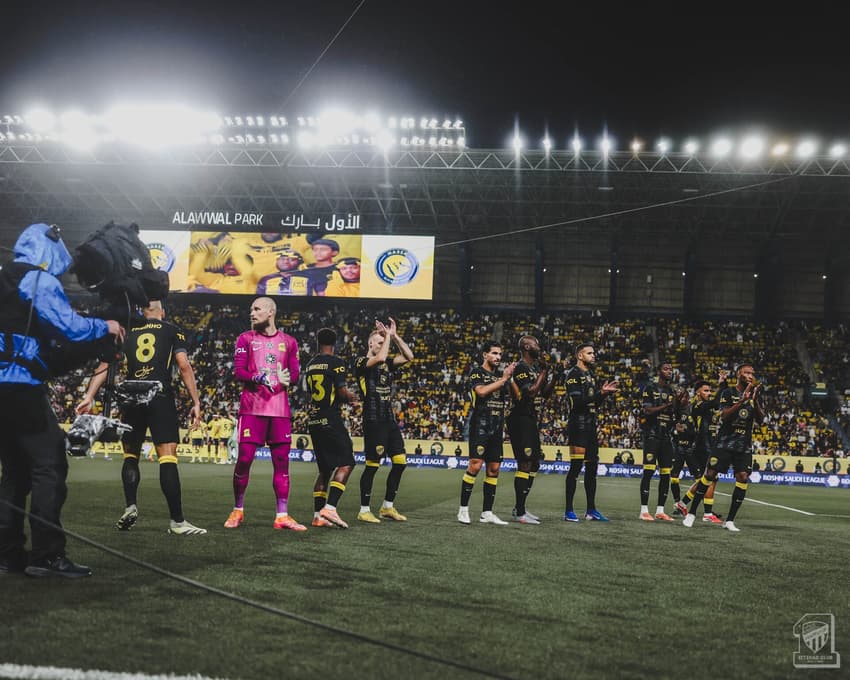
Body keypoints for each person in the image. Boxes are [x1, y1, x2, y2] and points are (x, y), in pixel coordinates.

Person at [0, 223, 124, 577]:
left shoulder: (4, 277)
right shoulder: (37, 280)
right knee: (49, 464)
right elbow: (67, 326)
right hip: (19, 385)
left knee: (14, 472)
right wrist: (106, 327)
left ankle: (7, 554)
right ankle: (47, 555)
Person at [76, 300, 206, 536]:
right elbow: (184, 366)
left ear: (141, 311)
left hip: (131, 396)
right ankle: (177, 522)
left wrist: (89, 396)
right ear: (162, 312)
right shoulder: (172, 329)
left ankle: (130, 506)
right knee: (167, 458)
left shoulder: (127, 331)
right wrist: (196, 402)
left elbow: (104, 366)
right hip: (159, 394)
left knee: (130, 455)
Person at [223, 297, 304, 531]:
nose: (252, 313)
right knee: (245, 459)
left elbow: (295, 373)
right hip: (252, 409)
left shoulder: (289, 342)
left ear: (271, 312)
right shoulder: (245, 339)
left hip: (279, 411)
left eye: (257, 309)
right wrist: (258, 377)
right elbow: (239, 371)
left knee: (282, 464)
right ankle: (238, 510)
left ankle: (282, 516)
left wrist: (288, 379)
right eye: (251, 309)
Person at [683, 364, 765, 532]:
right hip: (724, 443)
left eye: (752, 373)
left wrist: (754, 401)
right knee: (710, 475)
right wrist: (741, 401)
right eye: (746, 372)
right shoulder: (728, 393)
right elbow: (724, 416)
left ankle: (729, 521)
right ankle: (691, 513)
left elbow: (761, 420)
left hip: (743, 445)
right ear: (739, 374)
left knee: (743, 476)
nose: (750, 375)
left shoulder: (755, 394)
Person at [355, 318, 414, 523]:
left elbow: (409, 356)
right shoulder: (361, 362)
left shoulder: (388, 363)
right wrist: (387, 336)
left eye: (384, 342)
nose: (384, 347)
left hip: (388, 420)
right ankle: (364, 510)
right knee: (373, 465)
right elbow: (379, 358)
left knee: (400, 462)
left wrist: (395, 336)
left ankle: (387, 507)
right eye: (380, 343)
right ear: (370, 344)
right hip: (373, 419)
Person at [303, 328, 358, 528]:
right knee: (347, 462)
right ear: (335, 343)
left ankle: (317, 516)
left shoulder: (310, 365)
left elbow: (309, 395)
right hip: (330, 419)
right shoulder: (336, 363)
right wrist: (352, 397)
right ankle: (331, 508)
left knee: (325, 470)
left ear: (318, 342)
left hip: (314, 420)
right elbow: (342, 392)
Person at [457, 342, 515, 525]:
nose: (498, 357)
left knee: (494, 469)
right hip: (480, 424)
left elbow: (517, 396)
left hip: (497, 426)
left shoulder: (501, 376)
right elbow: (481, 392)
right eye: (494, 353)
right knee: (474, 466)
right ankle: (463, 510)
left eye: (500, 354)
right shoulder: (477, 372)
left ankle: (487, 513)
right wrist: (503, 380)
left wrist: (510, 378)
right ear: (485, 355)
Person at [563, 343, 619, 522]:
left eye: (594, 353)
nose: (594, 355)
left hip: (591, 425)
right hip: (578, 425)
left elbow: (594, 403)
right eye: (590, 353)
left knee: (592, 468)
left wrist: (603, 395)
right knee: (576, 468)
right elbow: (578, 402)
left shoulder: (592, 376)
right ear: (580, 355)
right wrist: (599, 394)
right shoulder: (573, 374)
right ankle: (568, 510)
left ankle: (591, 510)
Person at [506, 335, 554, 524]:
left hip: (530, 419)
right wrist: (543, 371)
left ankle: (521, 508)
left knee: (534, 464)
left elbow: (544, 394)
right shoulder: (521, 367)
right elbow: (530, 392)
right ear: (526, 346)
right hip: (519, 419)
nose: (539, 347)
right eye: (536, 344)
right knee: (525, 463)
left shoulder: (533, 368)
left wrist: (553, 375)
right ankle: (519, 512)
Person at [679, 373, 728, 524]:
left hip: (710, 445)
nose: (708, 393)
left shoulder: (708, 407)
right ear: (698, 393)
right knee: (710, 479)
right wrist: (721, 385)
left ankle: (682, 503)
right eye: (705, 391)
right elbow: (715, 402)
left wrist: (723, 385)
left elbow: (718, 403)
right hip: (702, 446)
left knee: (706, 479)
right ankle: (707, 513)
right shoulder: (697, 406)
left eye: (710, 391)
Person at [638, 361, 679, 522]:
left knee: (666, 474)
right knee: (648, 472)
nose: (669, 371)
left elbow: (674, 414)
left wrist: (678, 407)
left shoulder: (671, 391)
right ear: (659, 371)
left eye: (671, 369)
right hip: (652, 435)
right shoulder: (650, 388)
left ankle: (660, 510)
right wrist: (668, 404)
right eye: (666, 368)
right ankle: (643, 510)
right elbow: (647, 411)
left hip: (666, 437)